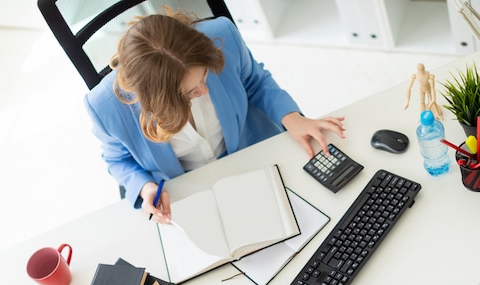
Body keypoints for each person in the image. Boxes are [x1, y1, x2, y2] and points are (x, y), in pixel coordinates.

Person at [85, 10, 346, 223]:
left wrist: (292, 118)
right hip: (186, 189)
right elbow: (117, 159)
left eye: (204, 75)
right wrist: (145, 187)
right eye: (189, 93)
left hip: (250, 153)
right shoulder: (103, 108)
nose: (205, 90)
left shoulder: (223, 36)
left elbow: (254, 82)